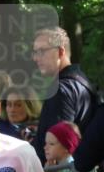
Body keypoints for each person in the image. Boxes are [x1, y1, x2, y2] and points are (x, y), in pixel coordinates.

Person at [31, 27, 98, 163]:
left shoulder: (61, 89)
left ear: (60, 52)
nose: (36, 58)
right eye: (35, 52)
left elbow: (57, 147)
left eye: (42, 51)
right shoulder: (83, 83)